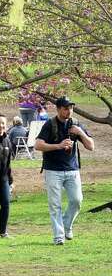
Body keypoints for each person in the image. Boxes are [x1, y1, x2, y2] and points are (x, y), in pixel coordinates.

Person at [35, 96, 95, 244]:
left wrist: (80, 132)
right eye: (66, 108)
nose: (69, 111)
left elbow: (91, 146)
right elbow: (38, 145)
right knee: (55, 204)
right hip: (53, 170)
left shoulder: (75, 124)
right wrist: (59, 145)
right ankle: (58, 237)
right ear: (58, 109)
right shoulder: (50, 124)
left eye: (71, 108)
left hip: (72, 169)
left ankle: (67, 225)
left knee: (77, 200)